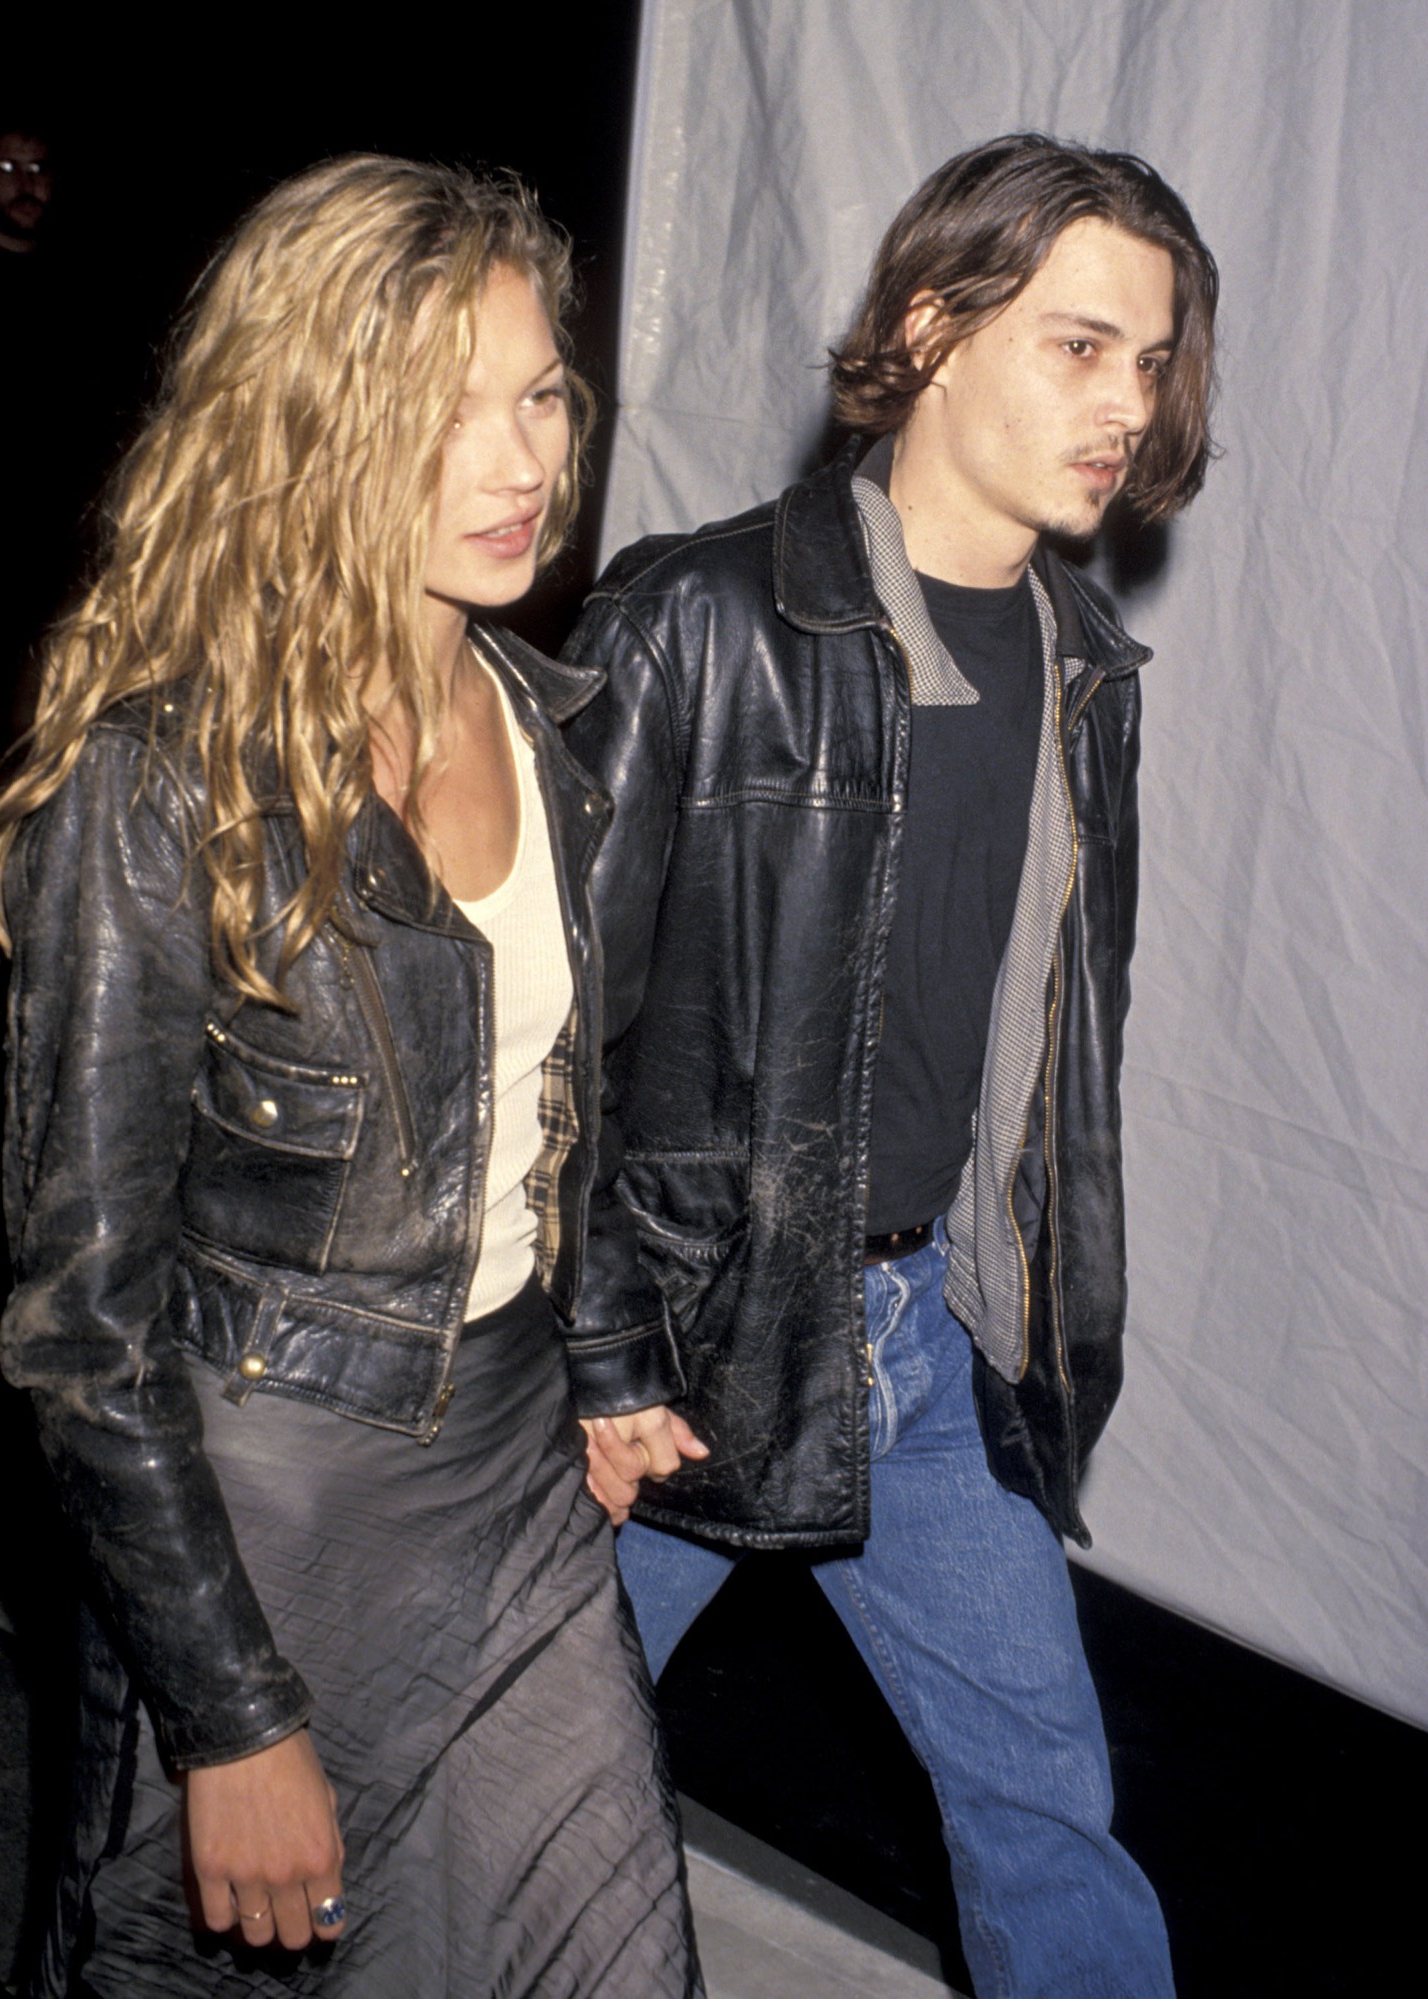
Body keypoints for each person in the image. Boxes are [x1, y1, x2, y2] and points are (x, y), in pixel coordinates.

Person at [0, 155, 701, 1997]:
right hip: (266, 1508)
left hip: (512, 1475)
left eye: (539, 393)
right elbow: (85, 1321)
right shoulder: (159, 787)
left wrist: (608, 1357)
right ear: (302, 428)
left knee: (609, 1957)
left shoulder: (562, 732)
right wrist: (227, 1717)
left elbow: (564, 1113)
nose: (517, 462)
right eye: (437, 412)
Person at [563, 133, 1219, 1998]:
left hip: (922, 1344)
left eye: (1152, 361)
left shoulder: (1085, 664)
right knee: (479, 1800)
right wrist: (602, 1354)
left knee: (1042, 1801)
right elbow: (546, 1036)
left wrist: (1017, 1312)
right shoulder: (700, 618)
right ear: (931, 326)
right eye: (1081, 347)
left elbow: (1026, 1047)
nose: (1126, 406)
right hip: (676, 1357)